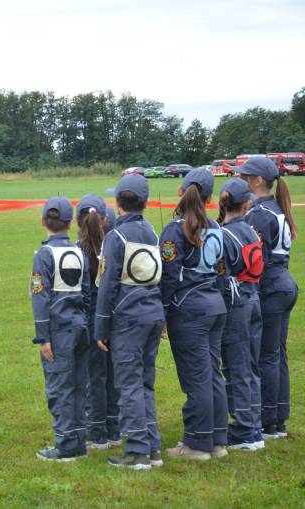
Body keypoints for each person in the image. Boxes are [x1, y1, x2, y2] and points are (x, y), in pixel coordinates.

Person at [95, 175, 164, 470]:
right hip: (152, 314)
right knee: (145, 382)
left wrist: (101, 327)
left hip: (128, 318)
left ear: (118, 203)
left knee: (130, 384)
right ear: (144, 203)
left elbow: (107, 284)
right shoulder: (152, 232)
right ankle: (152, 447)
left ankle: (137, 450)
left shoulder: (116, 236)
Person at [160, 168, 227, 461]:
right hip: (214, 305)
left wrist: (162, 313)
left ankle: (198, 444)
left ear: (181, 192)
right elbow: (222, 270)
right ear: (210, 198)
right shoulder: (216, 227)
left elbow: (168, 278)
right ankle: (217, 440)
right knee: (212, 373)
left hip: (189, 310)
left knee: (197, 378)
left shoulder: (175, 229)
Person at [236, 157, 298, 439]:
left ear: (258, 181)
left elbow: (253, 256)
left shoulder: (260, 213)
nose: (242, 181)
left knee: (267, 355)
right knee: (277, 354)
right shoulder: (273, 208)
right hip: (282, 282)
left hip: (271, 285)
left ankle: (268, 418)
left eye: (245, 177)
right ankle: (278, 417)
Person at [31, 197, 90, 461]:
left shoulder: (43, 255)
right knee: (79, 385)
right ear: (70, 222)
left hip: (58, 330)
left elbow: (40, 297)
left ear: (43, 221)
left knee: (60, 387)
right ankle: (79, 440)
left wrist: (42, 337)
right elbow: (87, 292)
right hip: (80, 325)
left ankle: (66, 444)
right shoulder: (80, 252)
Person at [216, 178, 265, 451]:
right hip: (253, 297)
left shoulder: (224, 235)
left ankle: (245, 429)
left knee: (236, 366)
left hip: (236, 303)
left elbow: (221, 274)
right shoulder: (250, 231)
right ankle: (254, 425)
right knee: (250, 365)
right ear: (246, 204)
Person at [76, 195, 120, 449]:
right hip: (115, 316)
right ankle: (114, 426)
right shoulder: (115, 247)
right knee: (113, 375)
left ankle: (96, 431)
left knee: (94, 377)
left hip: (91, 319)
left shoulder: (77, 251)